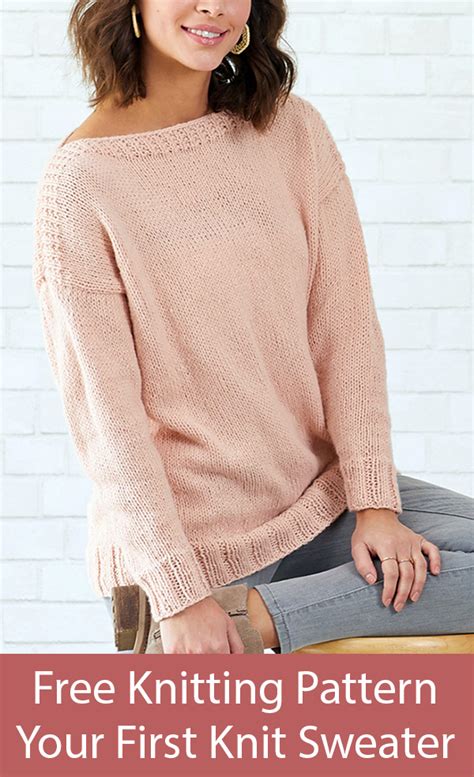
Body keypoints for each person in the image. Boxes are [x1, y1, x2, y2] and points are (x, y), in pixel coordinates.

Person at [33, 0, 474, 654]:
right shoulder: (81, 182)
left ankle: (254, 618)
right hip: (191, 546)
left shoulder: (292, 132)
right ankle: (190, 618)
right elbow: (108, 422)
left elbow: (346, 332)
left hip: (316, 503)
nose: (213, 5)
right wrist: (178, 592)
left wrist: (375, 505)